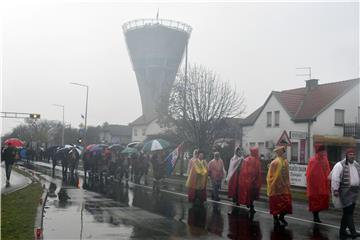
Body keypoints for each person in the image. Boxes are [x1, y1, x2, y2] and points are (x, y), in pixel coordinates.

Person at [331, 147, 360, 239]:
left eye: (353, 154)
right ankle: (353, 232)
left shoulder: (356, 164)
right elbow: (335, 178)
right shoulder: (340, 165)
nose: (352, 156)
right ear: (346, 155)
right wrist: (335, 189)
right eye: (350, 154)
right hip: (345, 191)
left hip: (354, 191)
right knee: (348, 212)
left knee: (348, 212)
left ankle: (342, 231)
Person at [267, 145, 292, 228]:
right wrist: (274, 184)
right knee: (275, 204)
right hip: (276, 188)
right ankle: (275, 218)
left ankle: (281, 217)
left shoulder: (285, 162)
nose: (284, 153)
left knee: (286, 203)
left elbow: (287, 175)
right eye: (283, 151)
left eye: (284, 152)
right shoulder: (274, 162)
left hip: (284, 188)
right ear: (279, 152)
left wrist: (287, 184)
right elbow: (270, 176)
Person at [306, 144, 331, 223]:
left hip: (323, 184)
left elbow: (327, 170)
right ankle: (315, 217)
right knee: (315, 201)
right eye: (322, 151)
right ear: (318, 152)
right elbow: (310, 174)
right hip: (315, 186)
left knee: (322, 200)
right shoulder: (313, 161)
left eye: (324, 151)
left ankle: (316, 215)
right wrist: (312, 184)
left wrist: (328, 179)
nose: (324, 152)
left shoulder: (325, 159)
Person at [238, 147, 262, 217]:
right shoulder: (256, 161)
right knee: (252, 194)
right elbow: (257, 172)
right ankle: (251, 205)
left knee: (248, 194)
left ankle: (250, 205)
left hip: (247, 181)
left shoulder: (246, 160)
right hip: (253, 181)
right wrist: (255, 179)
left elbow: (243, 171)